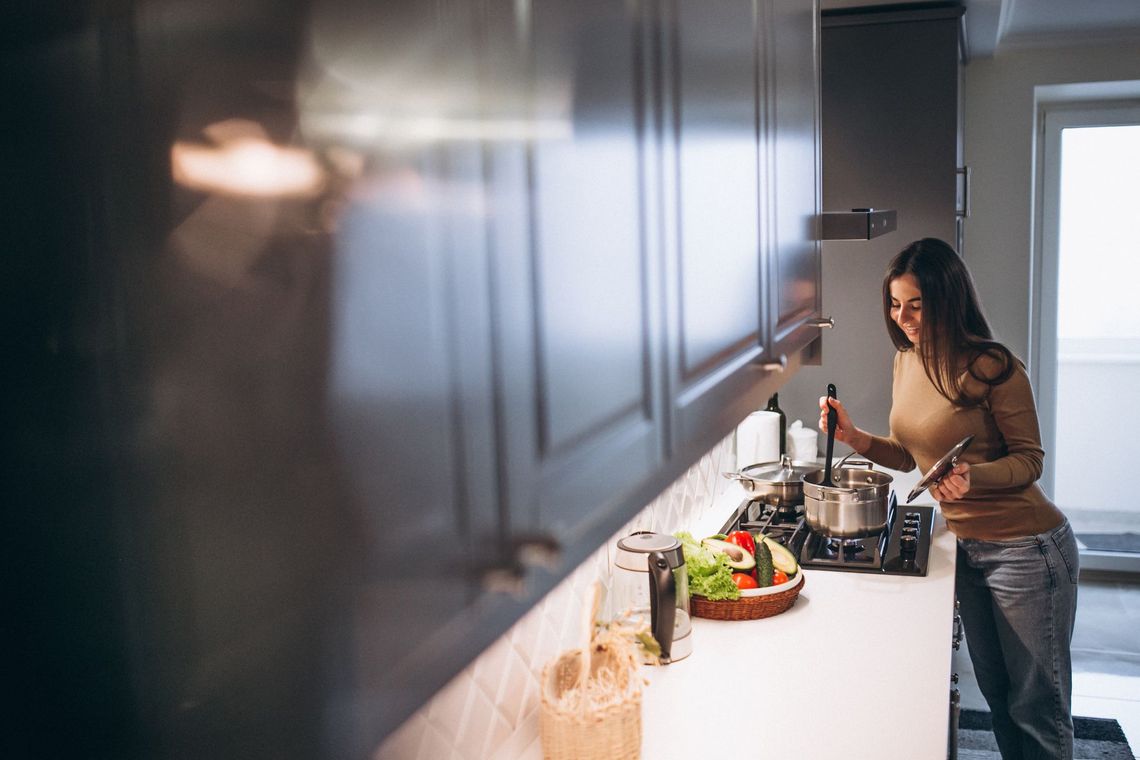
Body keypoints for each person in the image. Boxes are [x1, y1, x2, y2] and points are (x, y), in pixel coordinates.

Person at [819, 238, 1079, 760]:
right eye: (895, 304)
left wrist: (972, 477)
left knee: (1037, 709)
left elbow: (1030, 460)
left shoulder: (993, 366)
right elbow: (911, 455)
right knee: (1000, 695)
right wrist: (856, 439)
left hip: (1025, 550)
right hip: (969, 550)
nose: (904, 317)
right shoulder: (906, 361)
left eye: (916, 304)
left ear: (948, 298)